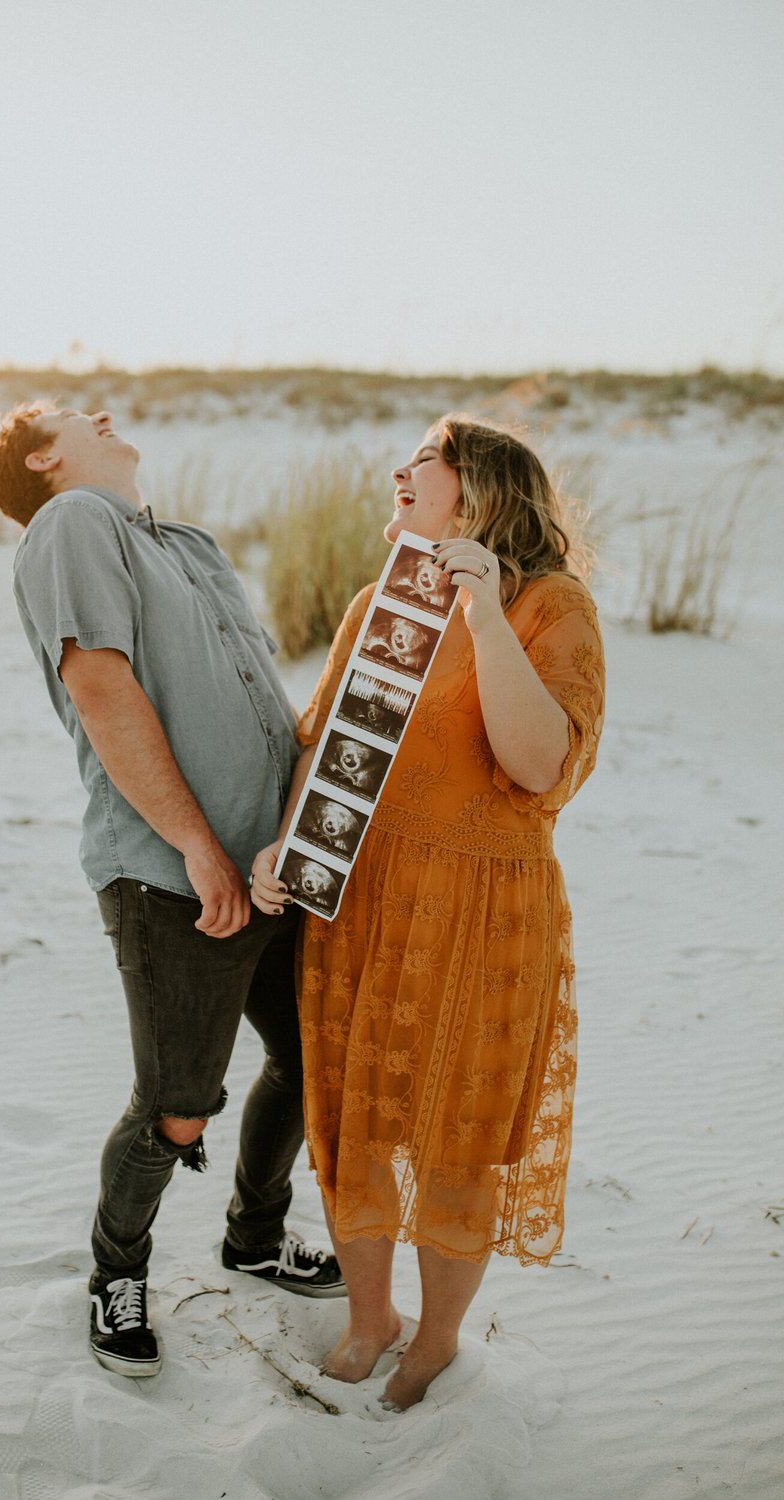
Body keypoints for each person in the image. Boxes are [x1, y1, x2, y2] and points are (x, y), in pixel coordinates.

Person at [0, 401, 344, 1380]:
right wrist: (199, 845)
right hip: (175, 876)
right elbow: (100, 683)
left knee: (315, 1060)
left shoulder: (180, 540)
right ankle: (116, 1269)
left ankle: (256, 1234)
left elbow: (258, 695)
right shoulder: (70, 523)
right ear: (47, 459)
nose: (101, 410)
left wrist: (297, 837)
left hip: (273, 866)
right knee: (176, 1108)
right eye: (69, 414)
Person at [252, 416, 605, 1411]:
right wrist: (287, 844)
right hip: (362, 904)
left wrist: (487, 616)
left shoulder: (552, 605)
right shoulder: (382, 598)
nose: (397, 472)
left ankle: (436, 1339)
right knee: (352, 1126)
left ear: (478, 487)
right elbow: (325, 747)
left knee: (456, 1142)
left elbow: (538, 766)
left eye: (421, 459)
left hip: (482, 917)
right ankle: (370, 1319)